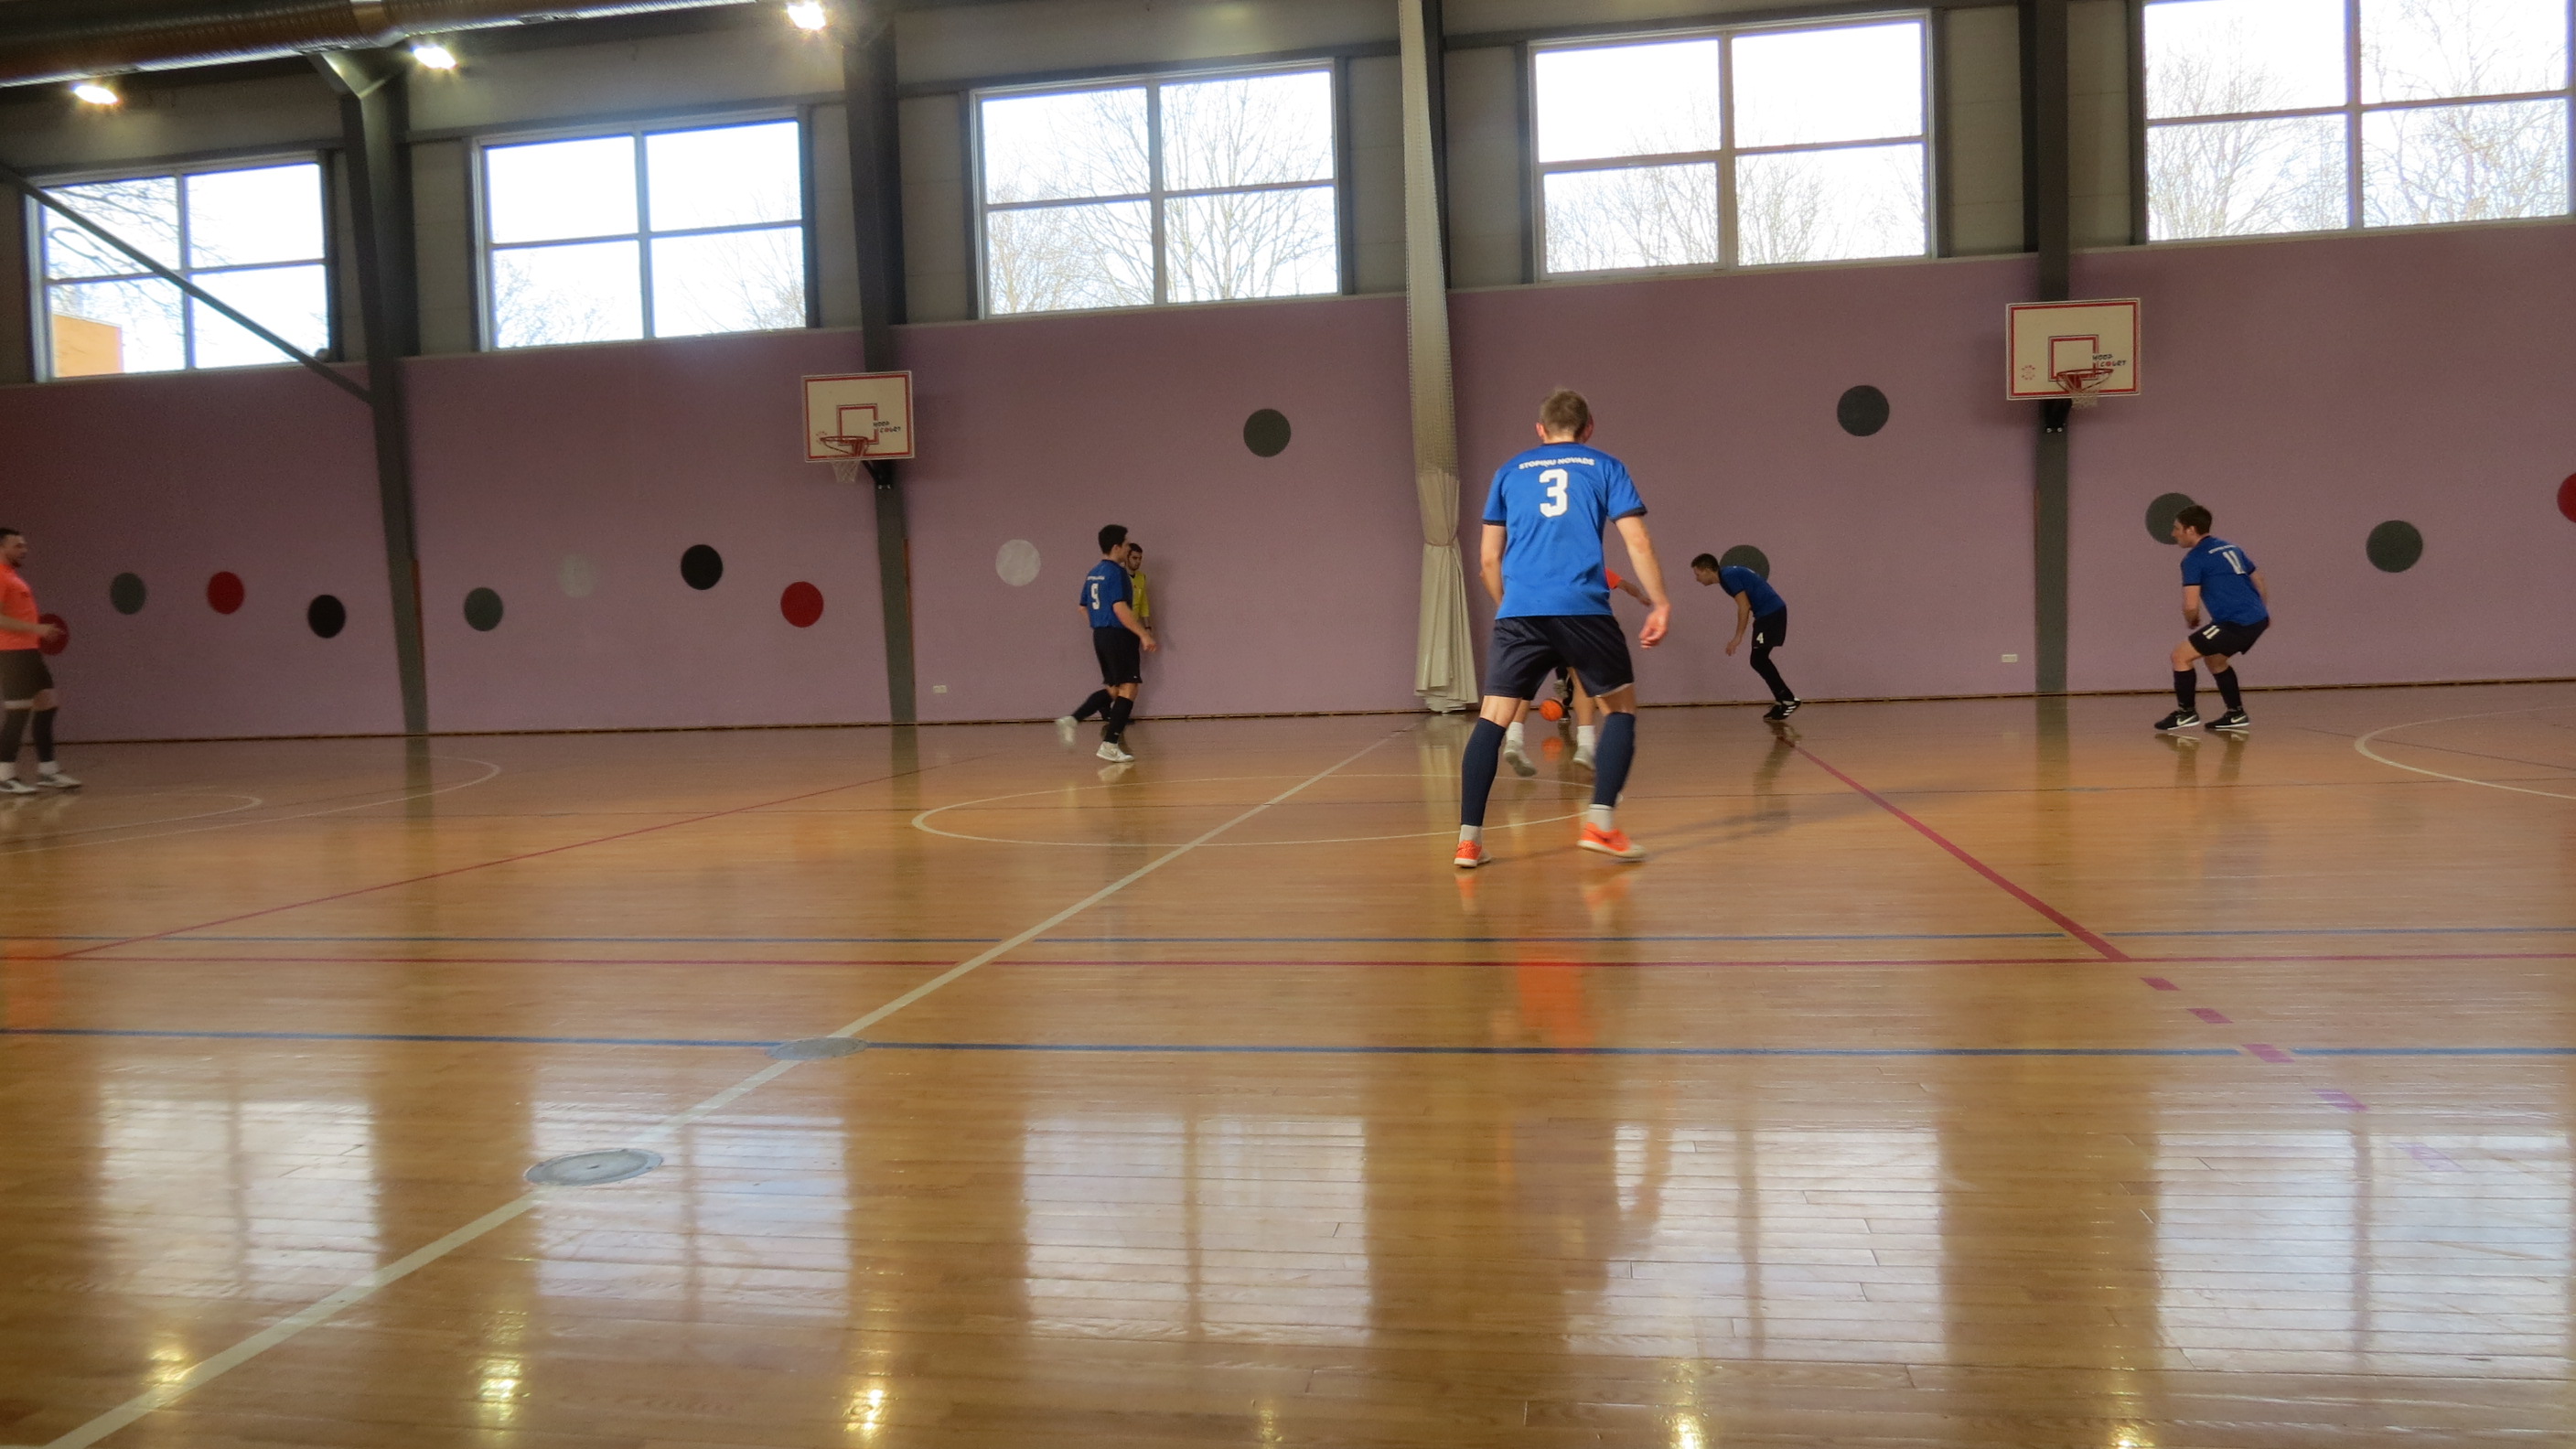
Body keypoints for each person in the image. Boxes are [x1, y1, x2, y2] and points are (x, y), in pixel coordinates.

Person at [1455, 390, 1670, 868]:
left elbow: (1488, 558)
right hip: (1583, 610)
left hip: (1519, 612)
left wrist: (1510, 608)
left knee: (1492, 719)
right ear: (1588, 427)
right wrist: (1659, 602)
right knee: (1621, 709)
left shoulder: (1509, 471)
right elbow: (1637, 541)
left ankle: (1468, 842)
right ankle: (1601, 826)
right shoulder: (1605, 466)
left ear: (1540, 429)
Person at [1503, 567, 1647, 777]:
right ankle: (1585, 745)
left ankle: (1514, 739)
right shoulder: (1585, 562)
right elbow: (1625, 585)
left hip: (1532, 619)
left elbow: (1491, 572)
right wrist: (1643, 596)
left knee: (1527, 683)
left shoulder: (1532, 562)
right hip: (1575, 621)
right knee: (1581, 681)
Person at [2155, 504, 2267, 733]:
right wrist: (2261, 611)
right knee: (2215, 660)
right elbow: (2259, 580)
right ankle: (2236, 714)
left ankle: (2186, 713)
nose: (2173, 534)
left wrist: (2191, 619)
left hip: (2235, 622)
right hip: (2256, 618)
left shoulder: (2194, 559)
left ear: (2191, 530)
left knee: (2180, 656)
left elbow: (2190, 604)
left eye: (2177, 528)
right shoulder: (2231, 547)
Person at [1056, 525, 1156, 763]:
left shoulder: (1094, 572)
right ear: (1116, 547)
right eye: (1126, 544)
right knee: (1130, 688)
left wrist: (1100, 625)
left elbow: (1082, 607)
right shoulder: (1116, 573)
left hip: (1101, 635)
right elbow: (1120, 608)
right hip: (1118, 635)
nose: (1129, 548)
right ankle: (1110, 744)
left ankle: (1073, 719)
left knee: (1114, 689)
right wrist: (1143, 634)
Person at [0, 528, 78, 796]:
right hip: (12, 655)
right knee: (18, 714)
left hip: (29, 652)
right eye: (17, 545)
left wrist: (39, 633)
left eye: (24, 545)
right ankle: (4, 775)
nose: (24, 550)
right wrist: (37, 629)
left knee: (48, 704)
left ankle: (48, 771)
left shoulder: (12, 575)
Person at [1691, 553, 1799, 722]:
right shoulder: (1727, 576)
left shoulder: (1728, 576)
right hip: (1767, 614)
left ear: (1707, 570)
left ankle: (1788, 699)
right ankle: (1783, 699)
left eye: (1698, 574)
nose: (1697, 579)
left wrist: (1738, 637)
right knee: (1759, 660)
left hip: (1770, 613)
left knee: (1758, 660)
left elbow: (1744, 606)